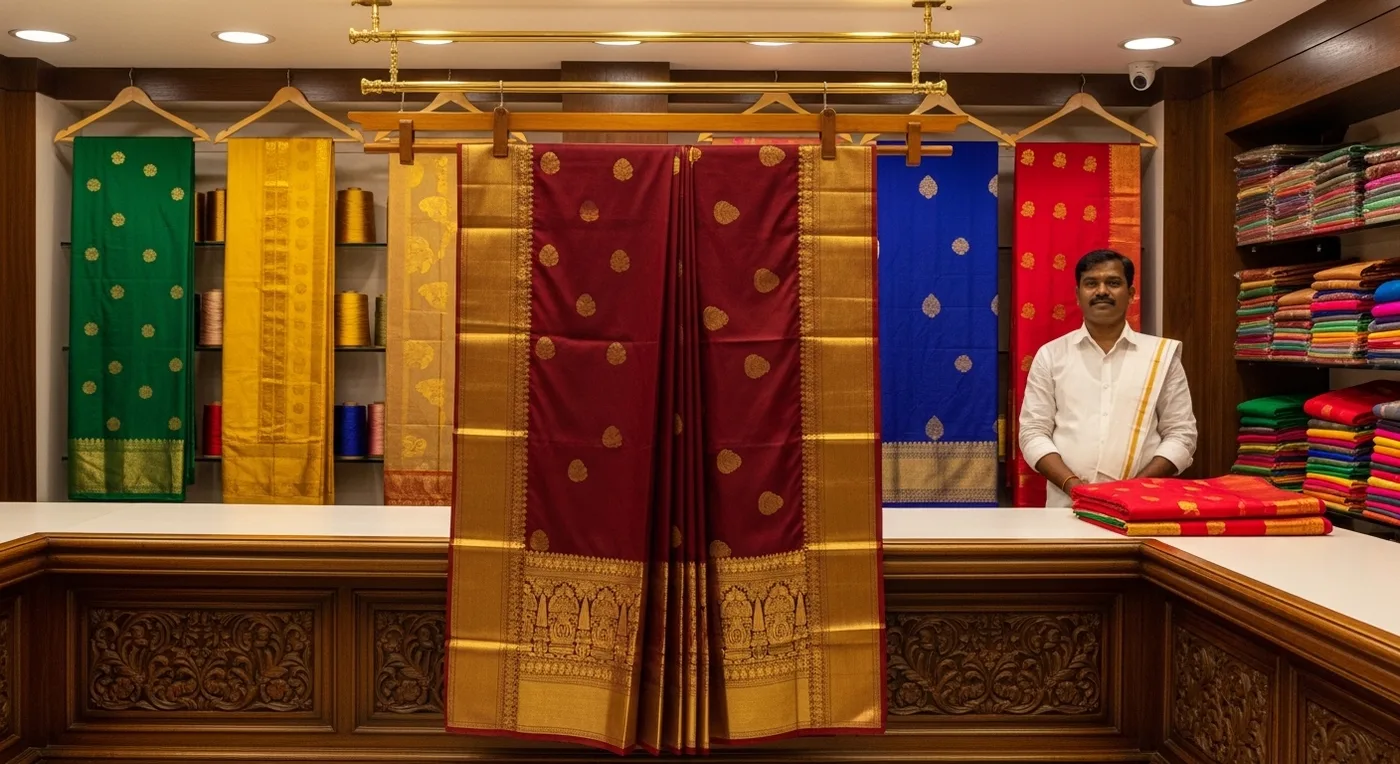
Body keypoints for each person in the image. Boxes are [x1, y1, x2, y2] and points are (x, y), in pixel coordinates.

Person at [1018, 249, 1198, 508]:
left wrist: (1134, 490)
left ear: (1131, 294)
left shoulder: (1160, 356)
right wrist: (1073, 486)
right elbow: (1033, 433)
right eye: (1091, 283)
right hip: (1067, 508)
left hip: (1143, 507)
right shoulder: (1051, 355)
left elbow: (1182, 435)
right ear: (1077, 295)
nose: (1102, 291)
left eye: (1113, 283)